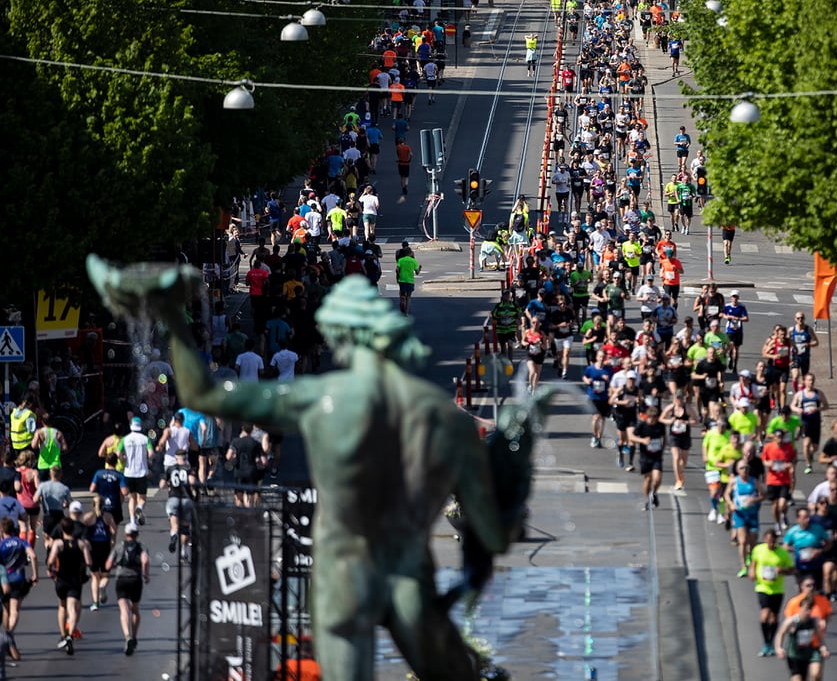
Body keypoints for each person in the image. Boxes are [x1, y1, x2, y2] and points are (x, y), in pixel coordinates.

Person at [89, 257, 551, 680]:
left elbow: (202, 395)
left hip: (342, 576)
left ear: (343, 338)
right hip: (407, 573)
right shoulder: (444, 417)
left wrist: (173, 317)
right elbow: (492, 532)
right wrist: (513, 477)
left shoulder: (321, 400)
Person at [47, 517, 92, 655]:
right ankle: (70, 635)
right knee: (72, 608)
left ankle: (63, 634)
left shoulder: (58, 544)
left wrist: (51, 570)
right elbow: (89, 562)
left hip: (61, 579)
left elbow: (50, 560)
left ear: (62, 529)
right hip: (75, 579)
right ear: (73, 528)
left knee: (62, 606)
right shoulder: (81, 544)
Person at [105, 522, 150, 656]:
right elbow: (145, 561)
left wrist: (114, 565)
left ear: (126, 534)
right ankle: (134, 636)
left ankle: (127, 636)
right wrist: (146, 575)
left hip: (121, 579)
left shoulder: (119, 547)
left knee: (124, 610)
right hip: (135, 579)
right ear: (137, 534)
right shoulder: (141, 547)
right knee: (135, 609)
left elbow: (108, 565)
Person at [749, 529, 794, 657]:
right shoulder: (758, 549)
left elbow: (792, 569)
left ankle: (771, 641)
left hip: (777, 589)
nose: (770, 543)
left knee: (774, 617)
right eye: (768, 541)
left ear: (775, 541)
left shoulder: (783, 554)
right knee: (764, 615)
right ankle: (766, 643)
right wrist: (751, 571)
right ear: (765, 540)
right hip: (762, 587)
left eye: (772, 541)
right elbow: (754, 562)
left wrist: (782, 571)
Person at [0, 516, 37, 660]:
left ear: (2, 530)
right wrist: (35, 574)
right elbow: (33, 556)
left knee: (6, 609)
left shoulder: (2, 544)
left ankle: (8, 634)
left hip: (4, 581)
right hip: (18, 579)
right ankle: (9, 634)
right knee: (15, 610)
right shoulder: (21, 542)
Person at [774, 595, 829, 681]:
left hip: (806, 654)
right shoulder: (792, 621)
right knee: (797, 679)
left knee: (811, 676)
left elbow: (820, 638)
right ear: (800, 608)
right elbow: (780, 633)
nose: (808, 611)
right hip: (794, 654)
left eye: (810, 609)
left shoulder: (813, 621)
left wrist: (823, 648)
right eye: (806, 608)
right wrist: (778, 648)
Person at [725, 459, 764, 576]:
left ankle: (750, 559)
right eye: (742, 468)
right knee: (742, 541)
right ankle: (743, 567)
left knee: (752, 541)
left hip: (752, 514)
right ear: (737, 470)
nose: (745, 470)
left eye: (746, 468)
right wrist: (731, 504)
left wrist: (755, 499)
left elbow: (764, 494)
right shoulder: (734, 482)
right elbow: (726, 494)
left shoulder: (754, 481)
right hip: (740, 514)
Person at [783, 507, 831, 590]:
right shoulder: (793, 531)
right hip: (801, 567)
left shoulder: (818, 528)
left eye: (808, 517)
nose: (807, 520)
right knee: (803, 592)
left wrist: (820, 551)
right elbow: (784, 546)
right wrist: (794, 549)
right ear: (798, 519)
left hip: (816, 566)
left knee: (817, 591)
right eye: (804, 517)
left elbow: (829, 543)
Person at [119, 417, 154, 526]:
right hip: (141, 472)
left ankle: (132, 521)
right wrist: (149, 461)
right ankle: (139, 508)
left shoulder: (125, 439)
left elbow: (118, 453)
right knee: (142, 497)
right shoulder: (145, 439)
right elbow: (151, 453)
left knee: (132, 498)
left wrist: (124, 459)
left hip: (129, 472)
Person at [791, 373, 829, 475]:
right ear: (804, 381)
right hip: (805, 422)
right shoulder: (800, 394)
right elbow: (792, 406)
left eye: (812, 380)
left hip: (816, 422)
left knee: (815, 447)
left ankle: (810, 454)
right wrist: (798, 409)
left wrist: (817, 408)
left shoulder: (819, 393)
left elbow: (826, 406)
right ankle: (808, 465)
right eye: (808, 380)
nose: (810, 382)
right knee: (806, 444)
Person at [631, 407, 666, 510]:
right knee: (648, 479)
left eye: (654, 418)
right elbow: (632, 437)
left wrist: (662, 449)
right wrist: (642, 440)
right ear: (647, 417)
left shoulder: (660, 426)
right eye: (650, 418)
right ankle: (647, 499)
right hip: (645, 456)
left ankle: (654, 493)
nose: (652, 420)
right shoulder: (642, 425)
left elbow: (664, 437)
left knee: (657, 478)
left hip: (656, 456)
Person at [82, 505, 116, 611]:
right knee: (105, 575)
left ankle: (95, 603)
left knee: (94, 576)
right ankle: (102, 586)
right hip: (105, 546)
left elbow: (82, 532)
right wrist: (112, 540)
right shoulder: (108, 516)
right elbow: (114, 531)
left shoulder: (88, 517)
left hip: (93, 547)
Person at [763, 428, 796, 531]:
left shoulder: (788, 447)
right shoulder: (768, 447)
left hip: (784, 480)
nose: (779, 439)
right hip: (772, 480)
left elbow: (793, 459)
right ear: (774, 437)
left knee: (782, 504)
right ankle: (777, 523)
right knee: (774, 505)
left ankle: (783, 515)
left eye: (781, 437)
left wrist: (790, 465)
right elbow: (764, 460)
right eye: (777, 437)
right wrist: (769, 464)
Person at [165, 448, 197, 555]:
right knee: (185, 527)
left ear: (175, 458)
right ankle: (184, 551)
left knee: (174, 525)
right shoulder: (189, 468)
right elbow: (192, 482)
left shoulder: (171, 469)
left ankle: (174, 536)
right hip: (186, 498)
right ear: (186, 457)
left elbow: (162, 484)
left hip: (173, 498)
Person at [226, 424, 266, 508]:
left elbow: (228, 456)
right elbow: (264, 461)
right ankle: (248, 514)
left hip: (239, 471)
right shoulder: (256, 443)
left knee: (238, 495)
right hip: (251, 472)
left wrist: (234, 459)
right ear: (252, 430)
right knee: (249, 496)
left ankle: (239, 514)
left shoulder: (236, 441)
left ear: (242, 428)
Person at [659, 390, 692, 490]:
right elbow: (661, 418)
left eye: (680, 398)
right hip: (674, 436)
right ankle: (678, 480)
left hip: (685, 436)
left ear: (683, 399)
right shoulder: (670, 408)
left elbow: (696, 420)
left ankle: (680, 473)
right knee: (676, 457)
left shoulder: (687, 408)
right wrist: (669, 421)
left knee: (683, 461)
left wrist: (686, 422)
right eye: (676, 398)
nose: (678, 400)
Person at [582, 350, 613, 449]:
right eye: (600, 356)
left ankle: (599, 437)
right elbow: (585, 376)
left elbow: (612, 383)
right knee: (595, 417)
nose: (602, 358)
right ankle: (594, 435)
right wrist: (587, 381)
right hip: (593, 397)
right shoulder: (590, 368)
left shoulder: (608, 370)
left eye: (603, 357)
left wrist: (607, 380)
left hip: (604, 397)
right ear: (596, 357)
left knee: (602, 418)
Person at [34, 466, 69, 550]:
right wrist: (64, 505)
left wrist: (42, 501)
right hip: (59, 515)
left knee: (47, 537)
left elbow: (35, 499)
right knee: (60, 537)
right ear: (61, 474)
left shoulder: (43, 486)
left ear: (50, 474)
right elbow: (69, 502)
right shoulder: (64, 488)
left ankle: (49, 552)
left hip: (48, 515)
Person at [89, 453, 127, 526]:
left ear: (106, 462)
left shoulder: (98, 473)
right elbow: (124, 492)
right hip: (115, 505)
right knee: (114, 527)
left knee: (103, 525)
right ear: (116, 462)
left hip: (102, 504)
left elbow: (92, 489)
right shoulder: (119, 475)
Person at [395, 246, 422, 317]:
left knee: (402, 294)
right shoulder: (414, 261)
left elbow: (397, 269)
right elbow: (417, 272)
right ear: (410, 253)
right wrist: (419, 268)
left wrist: (398, 275)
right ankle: (406, 313)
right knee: (409, 297)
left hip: (402, 280)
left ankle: (402, 302)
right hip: (410, 281)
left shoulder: (401, 260)